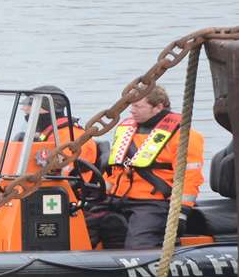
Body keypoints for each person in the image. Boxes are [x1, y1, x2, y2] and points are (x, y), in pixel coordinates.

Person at [88, 85, 205, 249]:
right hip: (118, 198)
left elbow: (190, 178)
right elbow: (117, 171)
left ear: (158, 107)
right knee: (83, 226)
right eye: (131, 106)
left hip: (153, 203)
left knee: (138, 245)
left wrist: (181, 212)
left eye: (138, 106)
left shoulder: (184, 136)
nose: (132, 111)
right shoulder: (127, 130)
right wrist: (96, 193)